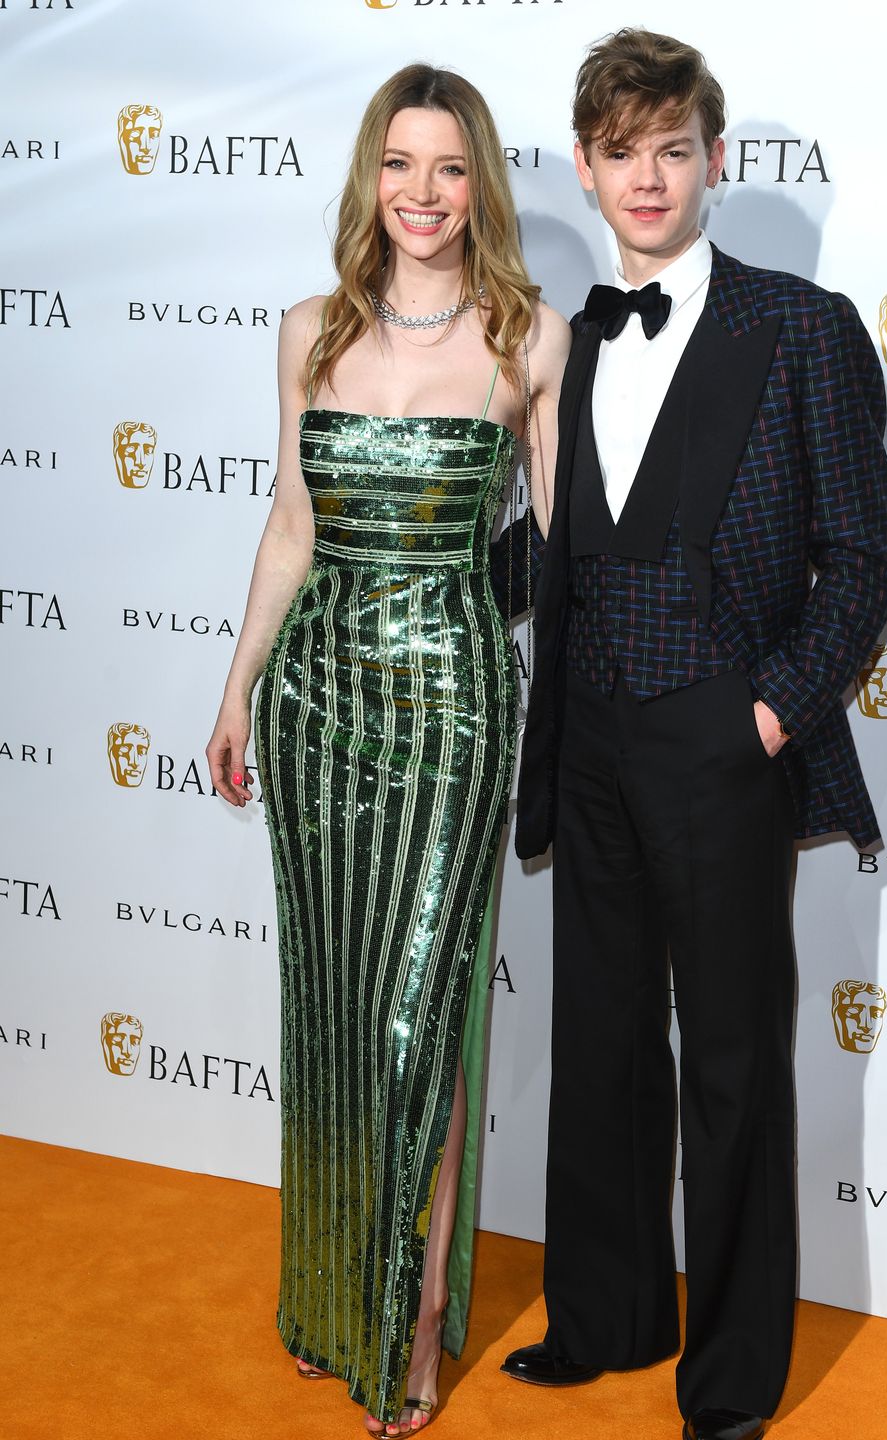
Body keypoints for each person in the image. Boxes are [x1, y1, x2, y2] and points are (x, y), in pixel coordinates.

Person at [501, 29, 887, 1440]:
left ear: (716, 161)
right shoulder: (559, 335)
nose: (650, 176)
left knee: (731, 1058)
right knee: (601, 1035)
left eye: (676, 148)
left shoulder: (799, 326)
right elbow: (553, 547)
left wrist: (770, 714)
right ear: (586, 167)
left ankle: (729, 1381)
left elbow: (863, 565)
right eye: (623, 151)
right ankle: (605, 1318)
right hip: (592, 732)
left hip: (721, 741)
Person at [206, 64, 568, 1437]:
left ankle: (412, 1315)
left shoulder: (531, 336)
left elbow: (565, 545)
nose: (423, 194)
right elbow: (292, 525)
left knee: (423, 1015)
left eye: (451, 167)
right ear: (371, 177)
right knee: (337, 1005)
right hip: (313, 706)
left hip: (454, 710)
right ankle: (325, 1293)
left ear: (483, 184)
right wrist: (241, 686)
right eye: (399, 165)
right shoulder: (308, 330)